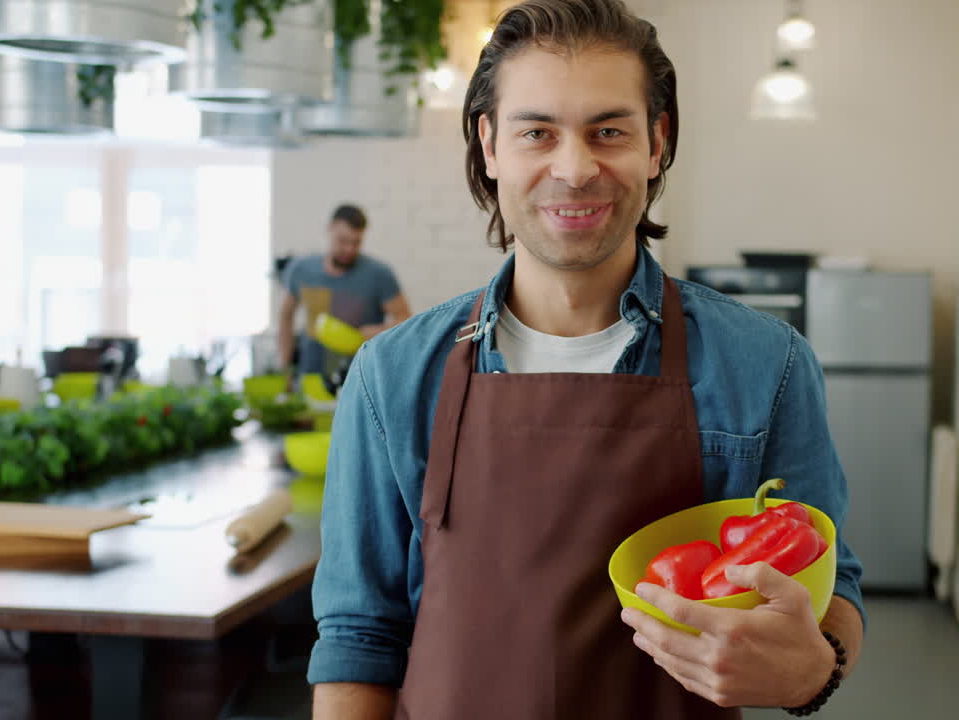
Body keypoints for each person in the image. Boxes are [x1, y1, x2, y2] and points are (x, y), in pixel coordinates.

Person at [308, 1, 865, 718]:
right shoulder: (391, 377)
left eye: (609, 131)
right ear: (489, 145)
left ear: (657, 142)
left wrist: (813, 673)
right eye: (537, 132)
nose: (574, 169)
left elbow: (833, 586)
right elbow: (360, 637)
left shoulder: (768, 365)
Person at [277, 204, 410, 378]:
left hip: (359, 378)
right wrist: (284, 369)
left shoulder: (379, 274)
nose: (349, 249)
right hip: (309, 378)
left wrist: (377, 331)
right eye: (343, 241)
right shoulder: (301, 269)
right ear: (329, 229)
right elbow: (286, 316)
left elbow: (406, 320)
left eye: (356, 242)